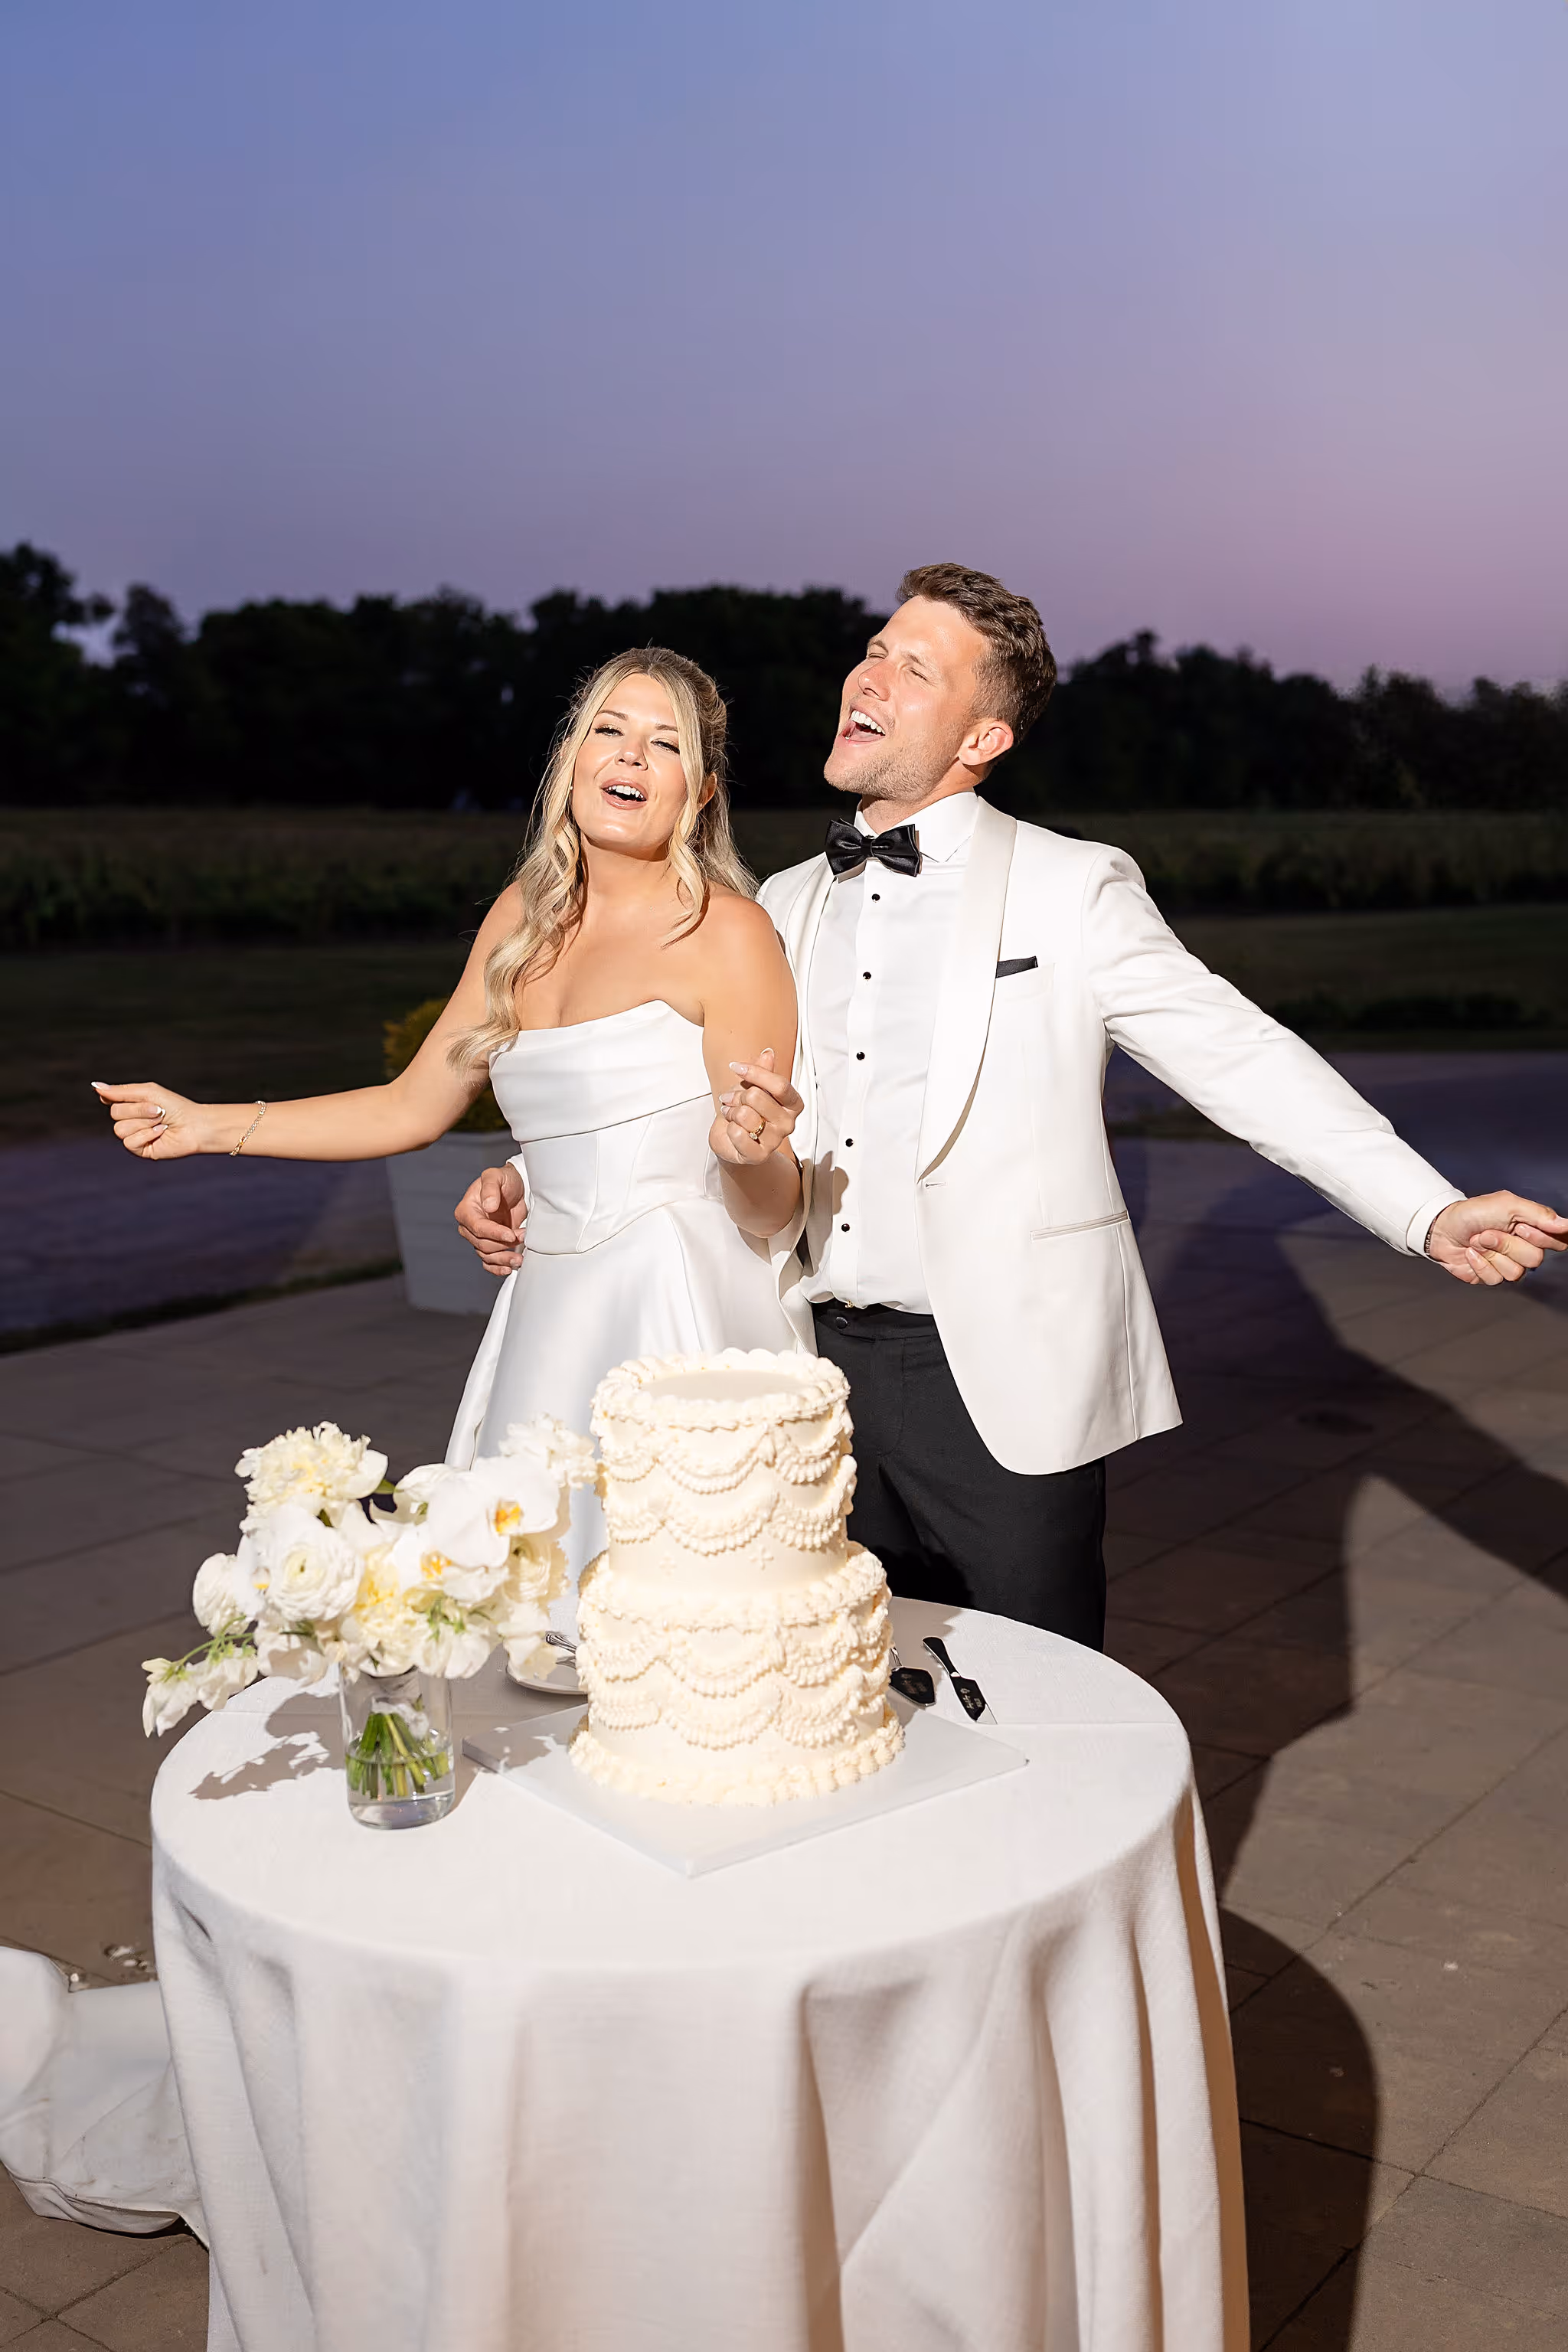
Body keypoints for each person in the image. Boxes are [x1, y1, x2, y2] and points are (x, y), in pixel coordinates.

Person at [456, 564, 1567, 1648]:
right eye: (876, 650)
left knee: (1046, 1717)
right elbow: (679, 1093)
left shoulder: (1069, 888)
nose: (870, 677)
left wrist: (1425, 1208)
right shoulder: (776, 904)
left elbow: (1241, 1058)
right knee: (834, 1701)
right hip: (799, 1371)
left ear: (982, 739)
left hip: (995, 1384)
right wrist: (530, 1171)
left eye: (917, 670)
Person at [95, 649, 809, 1606]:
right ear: (570, 759)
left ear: (700, 790)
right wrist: (204, 1125)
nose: (629, 754)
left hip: (673, 1306)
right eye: (607, 728)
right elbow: (410, 1105)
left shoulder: (727, 931)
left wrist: (748, 1156)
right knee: (522, 1606)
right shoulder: (524, 920)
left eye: (663, 741)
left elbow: (770, 1210)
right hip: (546, 1308)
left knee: (674, 1613)